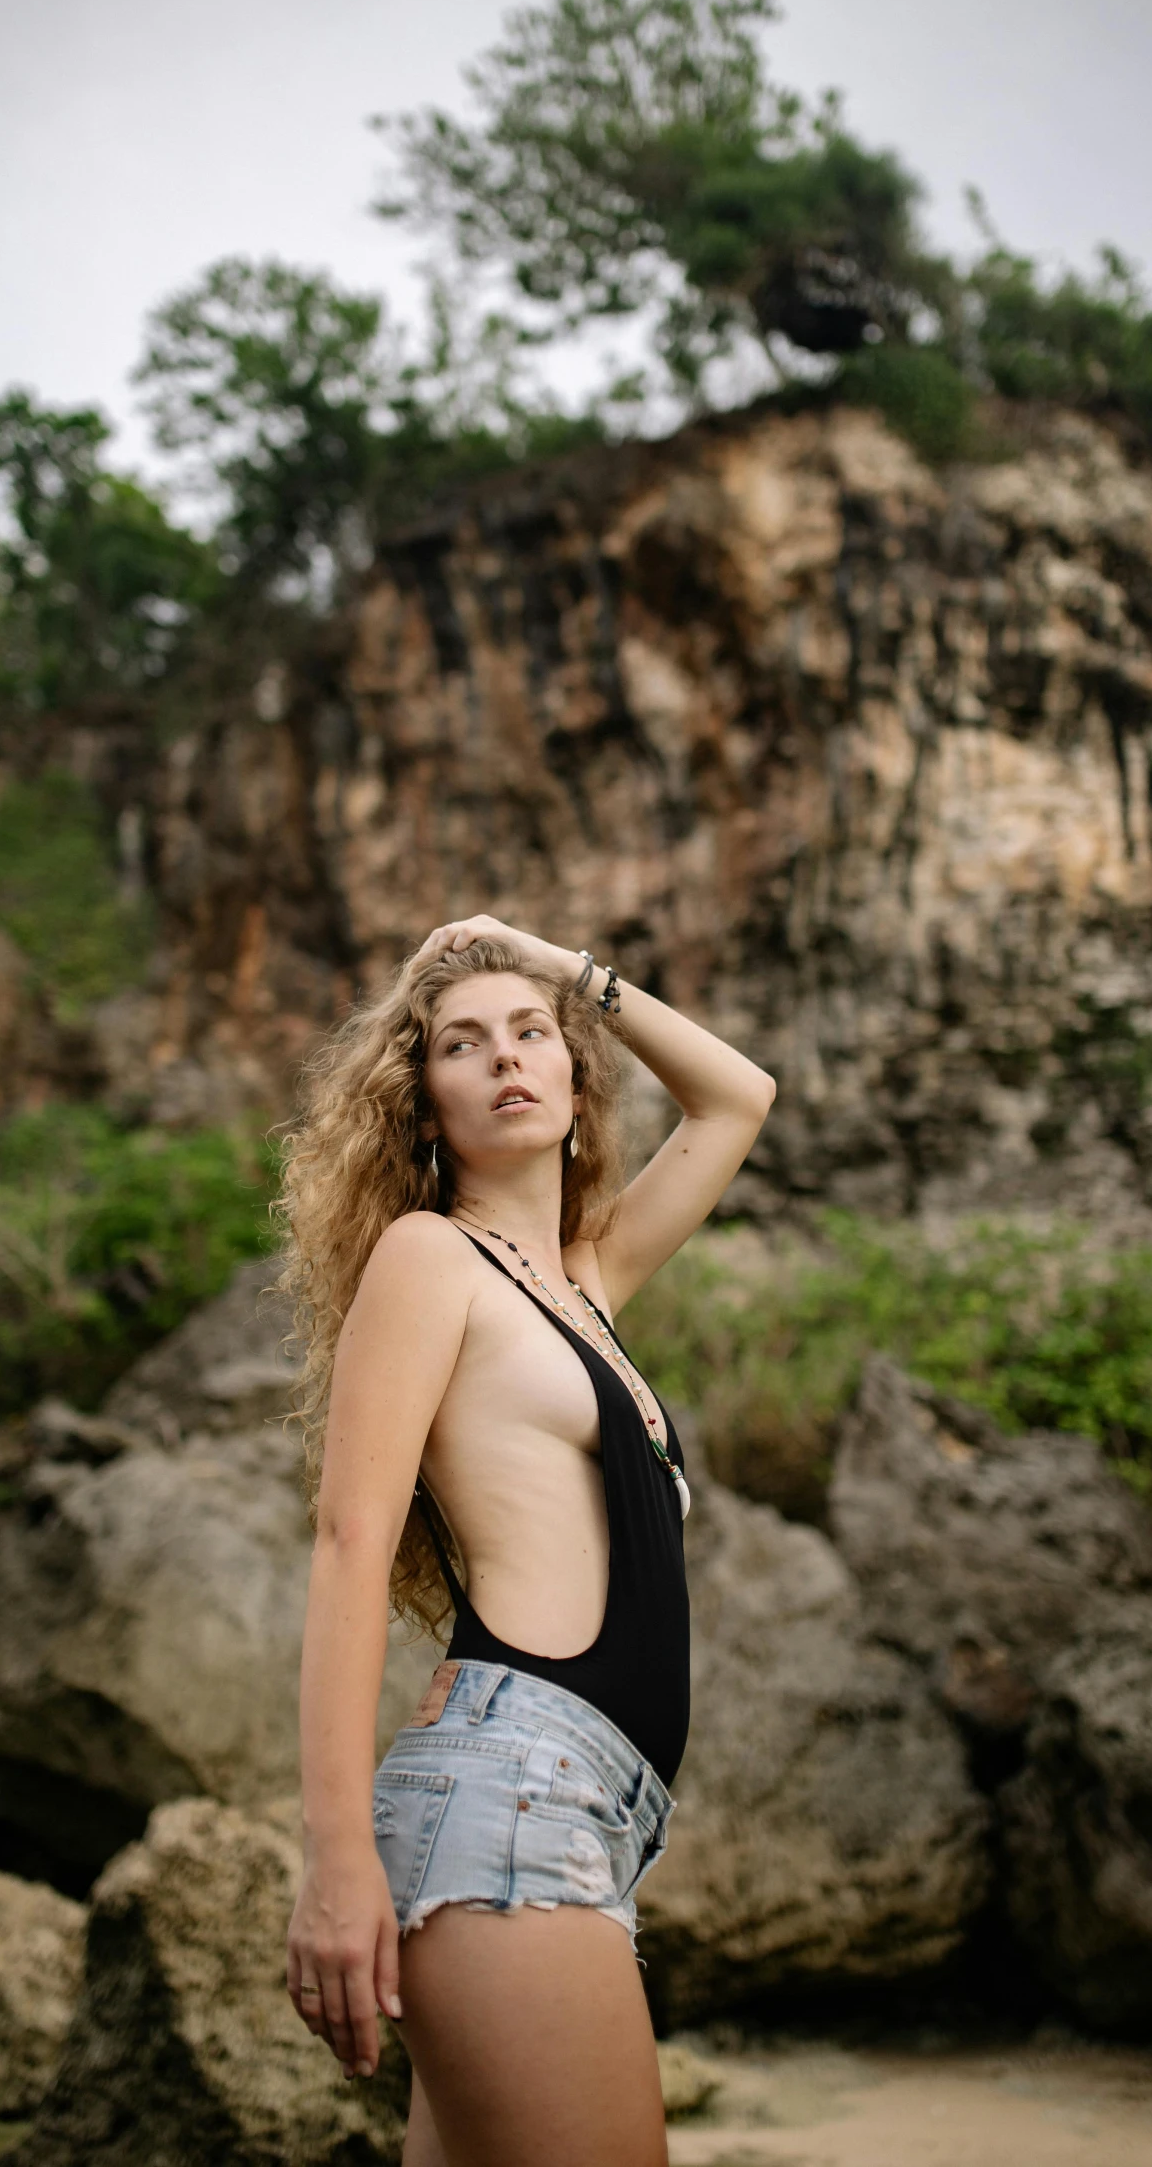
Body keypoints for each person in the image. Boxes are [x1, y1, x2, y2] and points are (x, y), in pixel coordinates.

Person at [279, 914, 775, 2167]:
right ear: (420, 1101)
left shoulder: (586, 1281)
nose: (505, 1057)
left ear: (570, 1072)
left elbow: (737, 1099)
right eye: (460, 1042)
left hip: (592, 1811)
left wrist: (551, 962)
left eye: (530, 1035)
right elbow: (348, 1543)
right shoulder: (428, 1257)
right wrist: (335, 1862)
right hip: (510, 1798)